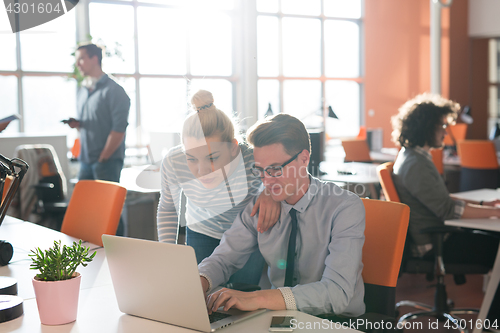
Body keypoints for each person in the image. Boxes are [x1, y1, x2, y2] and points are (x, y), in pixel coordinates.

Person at [198, 113, 365, 317]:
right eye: (260, 170)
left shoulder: (344, 207)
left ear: (304, 159)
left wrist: (257, 299)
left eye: (276, 169)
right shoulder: (260, 205)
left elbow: (336, 293)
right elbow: (223, 259)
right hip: (280, 318)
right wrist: (199, 280)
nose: (267, 181)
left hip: (336, 321)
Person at [391, 93, 500, 319]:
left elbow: (444, 200)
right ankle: (492, 319)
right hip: (435, 243)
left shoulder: (414, 157)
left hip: (439, 236)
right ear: (426, 127)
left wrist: (483, 204)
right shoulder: (416, 164)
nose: (445, 131)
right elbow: (447, 210)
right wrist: (495, 212)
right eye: (441, 125)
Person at [157, 90, 280, 286]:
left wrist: (270, 193)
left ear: (233, 148)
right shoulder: (174, 162)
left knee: (242, 295)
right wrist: (167, 252)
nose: (202, 170)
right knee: (200, 294)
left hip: (246, 233)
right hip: (201, 231)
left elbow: (287, 176)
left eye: (212, 158)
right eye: (191, 158)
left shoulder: (252, 157)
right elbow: (168, 207)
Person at [64, 43, 130, 184]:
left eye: (81, 59)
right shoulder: (83, 91)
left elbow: (119, 129)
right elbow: (94, 123)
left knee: (107, 205)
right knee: (84, 205)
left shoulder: (114, 91)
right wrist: (78, 124)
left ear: (94, 59)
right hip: (86, 161)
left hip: (107, 162)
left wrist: (103, 159)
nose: (78, 64)